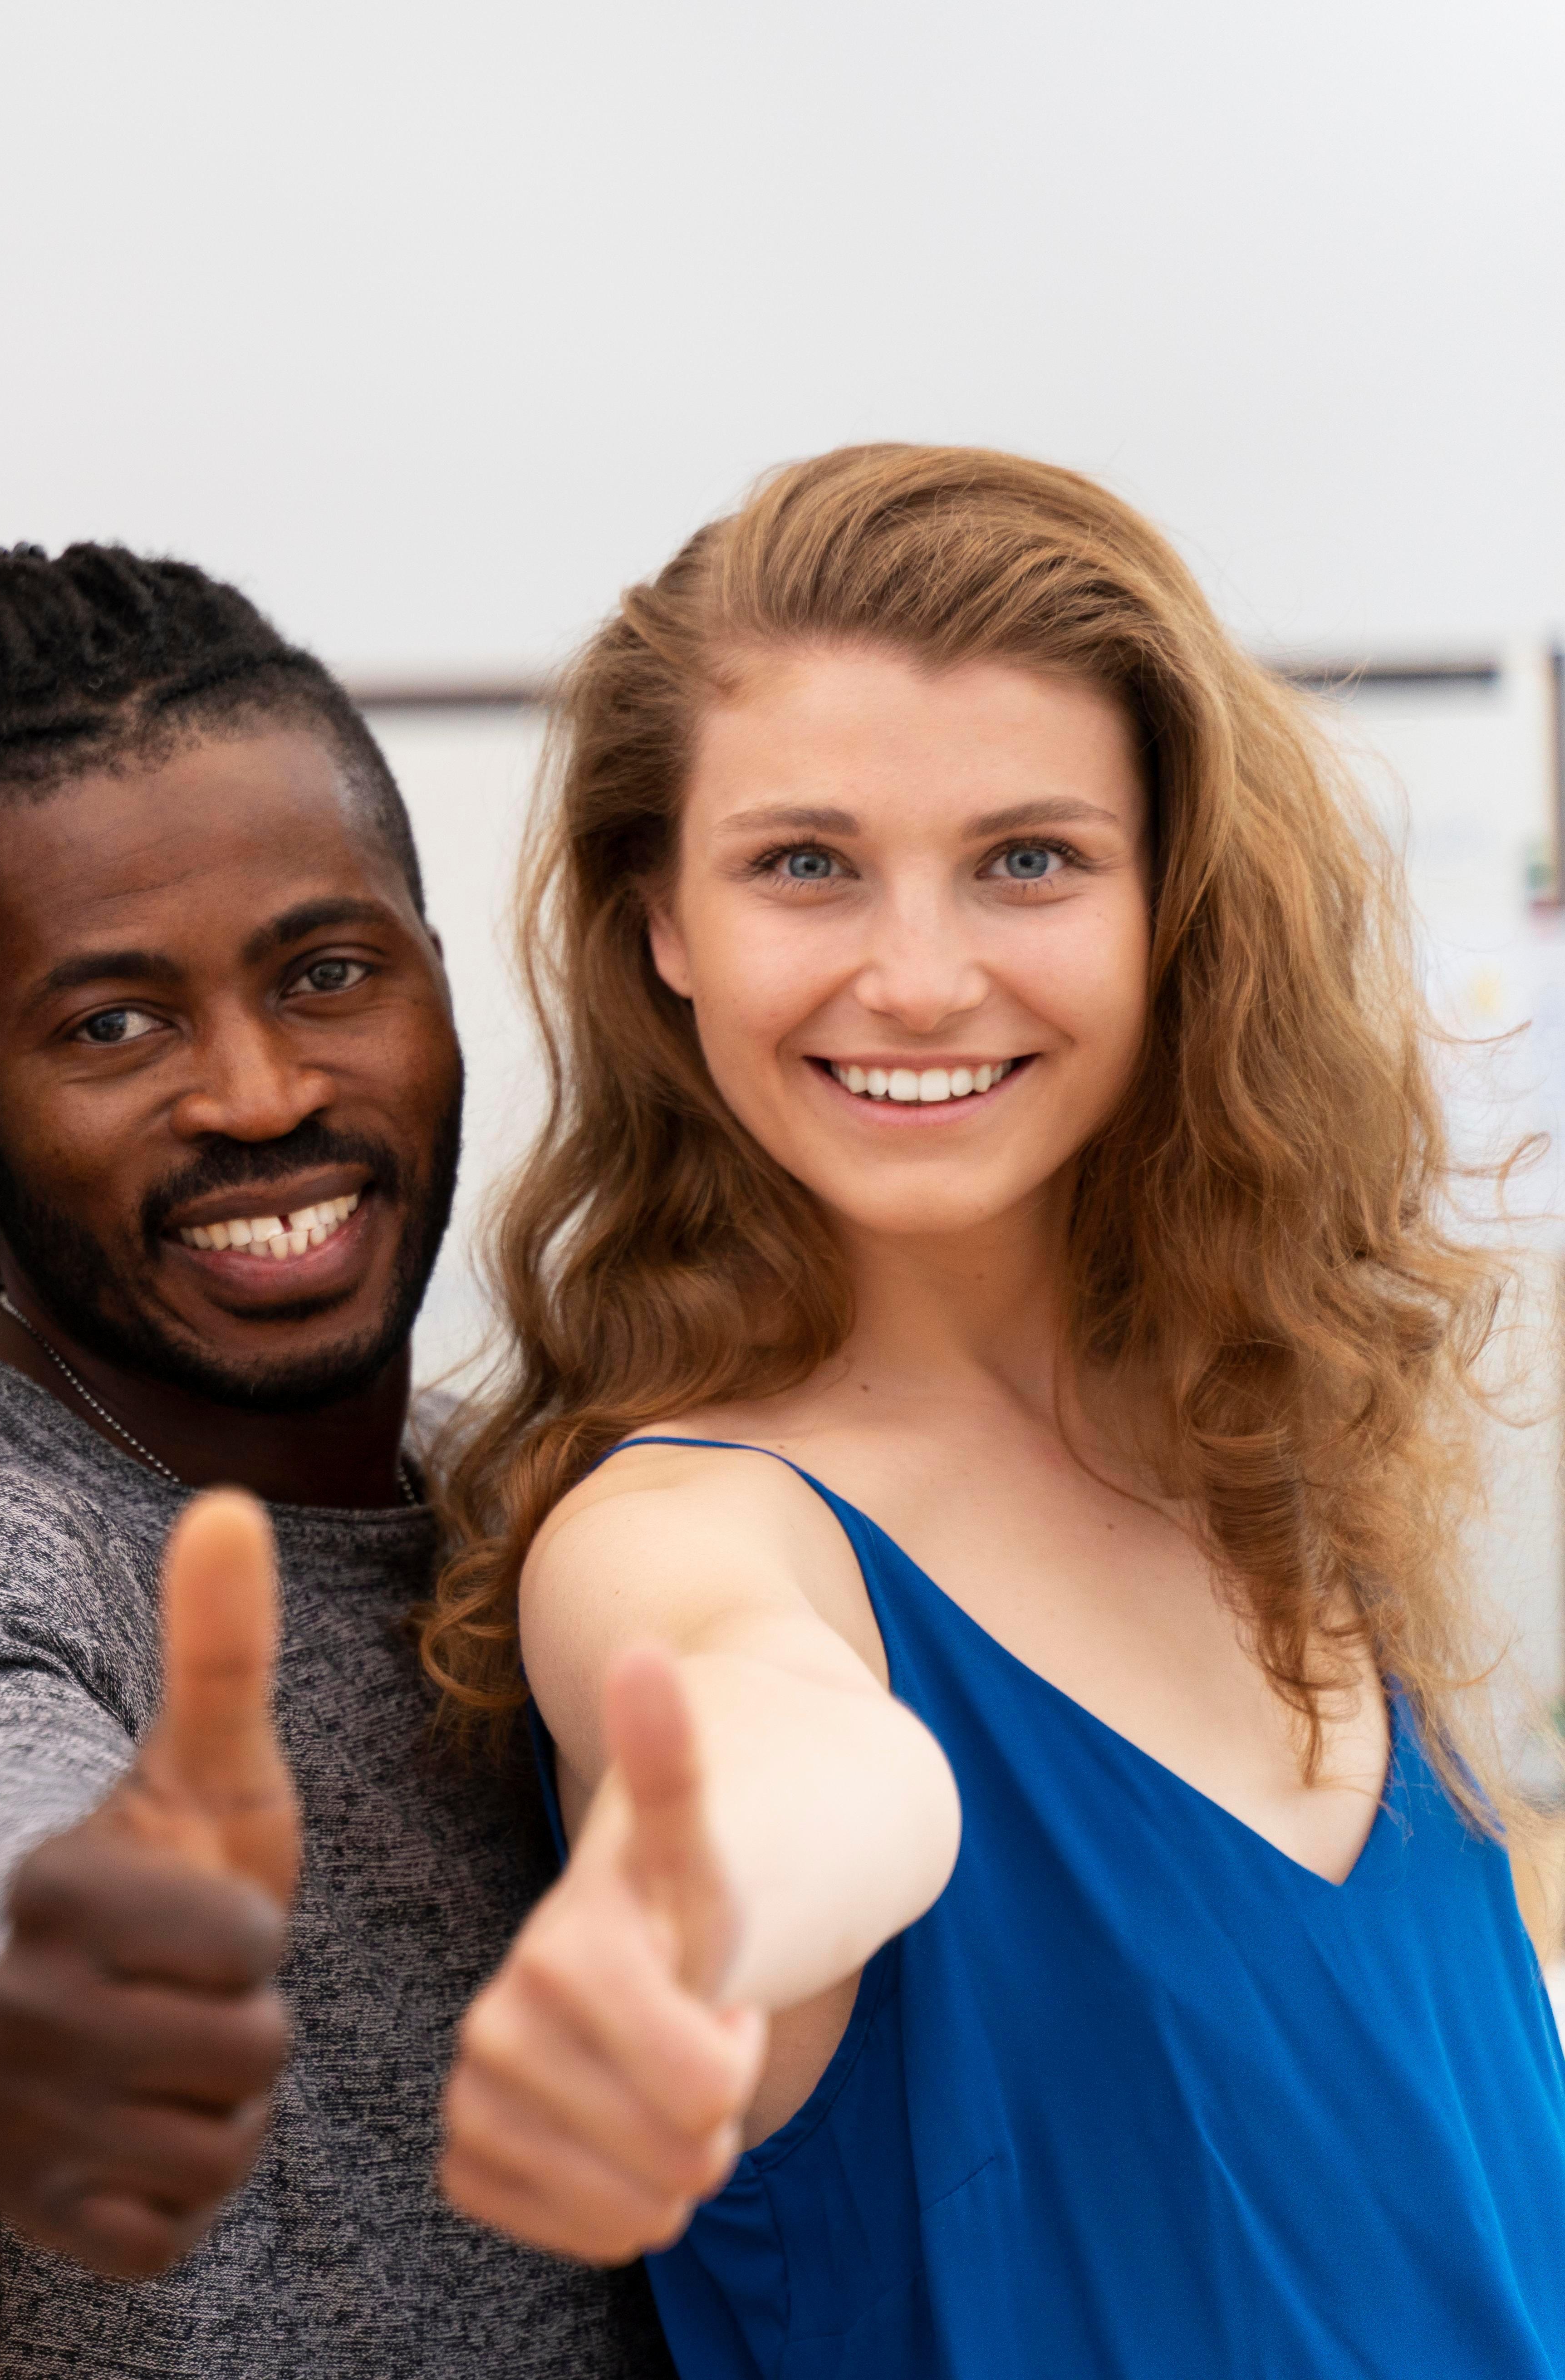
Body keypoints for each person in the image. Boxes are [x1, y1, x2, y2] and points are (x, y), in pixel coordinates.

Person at [428, 444, 1565, 2376]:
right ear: (662, 921)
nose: (922, 976)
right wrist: (680, 1911)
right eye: (804, 864)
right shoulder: (689, 1528)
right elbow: (792, 1756)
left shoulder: (1254, 1450)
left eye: (1026, 859)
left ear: (1166, 904)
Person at [0, 545, 670, 2375]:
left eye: (325, 972)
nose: (255, 1090)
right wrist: (70, 1973)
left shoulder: (542, 1517)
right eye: (113, 1023)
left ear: (438, 986)